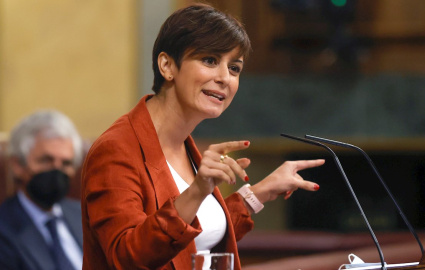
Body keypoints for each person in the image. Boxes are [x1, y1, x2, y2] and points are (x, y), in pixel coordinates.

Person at [81, 3, 325, 270]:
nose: (225, 78)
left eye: (234, 68)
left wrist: (258, 193)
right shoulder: (116, 149)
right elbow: (126, 257)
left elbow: (193, 239)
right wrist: (197, 191)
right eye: (210, 60)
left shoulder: (185, 144)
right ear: (167, 66)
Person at [0, 110, 84, 270]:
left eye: (66, 163)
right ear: (17, 165)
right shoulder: (4, 230)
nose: (57, 171)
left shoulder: (86, 216)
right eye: (46, 160)